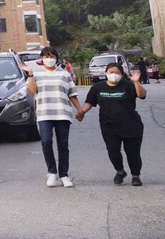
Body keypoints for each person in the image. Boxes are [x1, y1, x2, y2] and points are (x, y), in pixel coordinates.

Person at [24, 46, 83, 188]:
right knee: (46, 142)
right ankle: (52, 172)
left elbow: (72, 93)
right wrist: (31, 74)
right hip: (44, 114)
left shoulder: (64, 74)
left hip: (62, 113)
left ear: (56, 58)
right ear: (41, 59)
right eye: (46, 56)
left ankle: (64, 175)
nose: (49, 59)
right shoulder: (36, 74)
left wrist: (80, 110)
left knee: (63, 145)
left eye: (51, 56)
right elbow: (32, 91)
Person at [80, 63, 146, 186]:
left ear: (121, 74)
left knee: (133, 152)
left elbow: (142, 95)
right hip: (108, 125)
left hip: (131, 124)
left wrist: (136, 82)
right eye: (111, 72)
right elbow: (90, 102)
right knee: (113, 150)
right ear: (106, 73)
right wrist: (82, 112)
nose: (114, 75)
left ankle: (135, 175)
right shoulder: (98, 87)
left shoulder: (129, 85)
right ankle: (120, 171)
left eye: (117, 72)